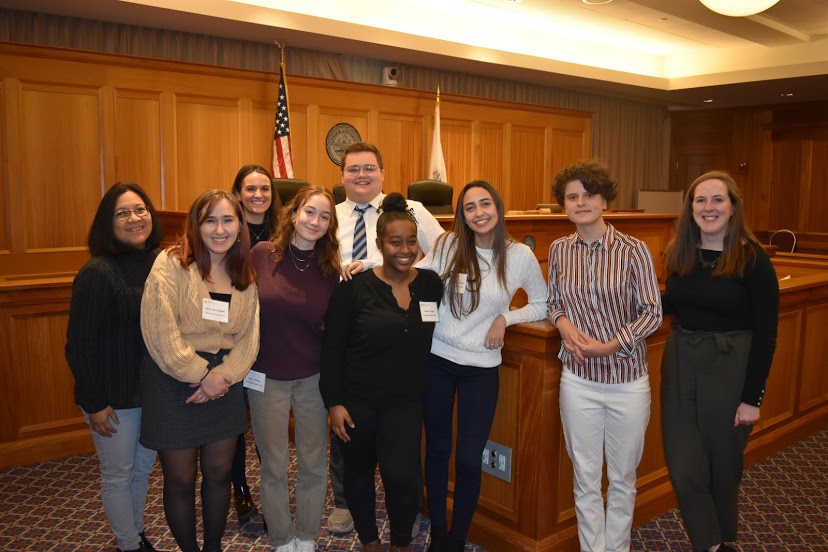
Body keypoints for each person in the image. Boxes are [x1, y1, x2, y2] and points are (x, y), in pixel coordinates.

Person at [416, 180, 548, 551]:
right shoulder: (448, 245)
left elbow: (544, 302)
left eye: (484, 204)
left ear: (498, 207)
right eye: (470, 207)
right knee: (438, 450)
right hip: (437, 360)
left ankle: (459, 538)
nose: (478, 213)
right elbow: (415, 276)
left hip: (482, 368)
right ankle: (439, 533)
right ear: (462, 215)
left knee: (471, 460)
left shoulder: (519, 255)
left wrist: (506, 317)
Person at [328, 141, 444, 535]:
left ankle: (404, 516)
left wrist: (394, 265)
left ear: (382, 172)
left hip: (397, 328)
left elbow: (443, 252)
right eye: (353, 169)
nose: (362, 175)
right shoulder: (329, 215)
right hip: (346, 323)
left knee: (401, 458)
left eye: (369, 168)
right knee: (349, 444)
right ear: (342, 175)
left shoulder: (413, 212)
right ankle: (344, 503)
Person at [546, 161, 663, 552]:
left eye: (589, 194)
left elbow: (652, 312)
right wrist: (562, 324)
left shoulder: (633, 250)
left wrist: (612, 344)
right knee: (585, 476)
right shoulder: (559, 249)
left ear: (604, 199)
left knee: (623, 477)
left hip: (626, 382)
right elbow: (555, 302)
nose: (581, 202)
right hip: (578, 381)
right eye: (572, 197)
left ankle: (616, 548)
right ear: (564, 205)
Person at [661, 171, 779, 552]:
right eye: (700, 200)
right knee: (683, 467)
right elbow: (669, 305)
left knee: (723, 468)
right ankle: (711, 544)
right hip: (680, 362)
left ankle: (720, 539)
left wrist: (752, 398)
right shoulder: (679, 251)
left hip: (730, 368)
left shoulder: (754, 259)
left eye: (717, 200)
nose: (708, 208)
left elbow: (767, 334)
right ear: (690, 207)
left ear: (732, 207)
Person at [140, 189, 260, 552]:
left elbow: (250, 336)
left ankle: (212, 547)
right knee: (179, 480)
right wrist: (199, 374)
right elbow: (159, 329)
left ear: (240, 225)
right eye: (210, 220)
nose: (220, 229)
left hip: (225, 380)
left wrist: (222, 377)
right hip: (172, 379)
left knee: (220, 475)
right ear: (196, 225)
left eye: (228, 220)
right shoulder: (171, 263)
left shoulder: (244, 270)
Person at [66, 183, 164, 552]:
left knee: (141, 471)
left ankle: (135, 533)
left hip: (151, 391)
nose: (135, 218)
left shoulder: (159, 262)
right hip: (112, 399)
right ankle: (129, 543)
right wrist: (94, 403)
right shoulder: (97, 272)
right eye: (122, 213)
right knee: (118, 473)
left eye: (140, 210)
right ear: (108, 223)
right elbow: (79, 345)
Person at [248, 186, 341, 552]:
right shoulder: (260, 254)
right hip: (265, 375)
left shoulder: (330, 268)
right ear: (293, 213)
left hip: (312, 377)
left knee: (314, 461)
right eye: (310, 212)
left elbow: (335, 327)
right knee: (273, 464)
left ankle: (306, 534)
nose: (315, 221)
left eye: (324, 216)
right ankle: (281, 537)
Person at [228, 163, 281, 523]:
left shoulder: (285, 230)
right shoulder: (226, 228)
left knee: (268, 423)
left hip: (273, 340)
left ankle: (270, 491)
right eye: (251, 188)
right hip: (233, 339)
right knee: (234, 423)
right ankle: (240, 490)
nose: (258, 195)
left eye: (265, 188)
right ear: (238, 193)